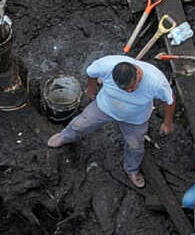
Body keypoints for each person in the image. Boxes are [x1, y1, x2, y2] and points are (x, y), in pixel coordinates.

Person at [46, 55, 175, 188]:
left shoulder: (156, 82)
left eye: (132, 87)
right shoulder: (106, 66)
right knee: (80, 124)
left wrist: (167, 122)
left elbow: (170, 100)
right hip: (105, 107)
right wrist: (91, 90)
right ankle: (64, 136)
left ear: (137, 73)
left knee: (135, 147)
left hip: (135, 119)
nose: (129, 91)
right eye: (124, 89)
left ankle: (131, 170)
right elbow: (91, 73)